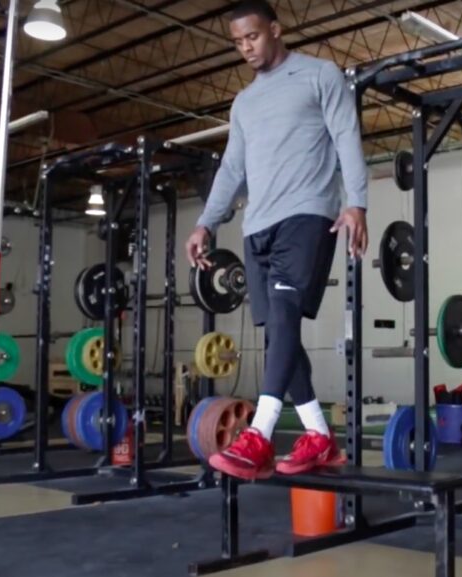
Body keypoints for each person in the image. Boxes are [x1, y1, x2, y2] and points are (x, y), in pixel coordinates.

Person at [185, 0, 369, 481]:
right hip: (256, 228)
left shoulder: (319, 76)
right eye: (239, 41)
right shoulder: (244, 103)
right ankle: (320, 437)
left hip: (307, 215)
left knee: (285, 316)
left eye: (253, 36)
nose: (247, 47)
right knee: (278, 332)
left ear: (276, 30)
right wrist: (207, 222)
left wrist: (357, 202)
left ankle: (260, 435)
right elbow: (232, 168)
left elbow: (347, 134)